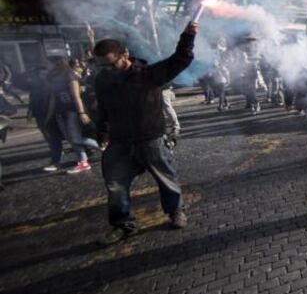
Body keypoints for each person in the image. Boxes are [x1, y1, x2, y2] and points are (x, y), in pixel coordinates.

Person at [92, 21, 197, 244]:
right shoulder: (102, 81)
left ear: (125, 55)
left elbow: (180, 59)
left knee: (166, 179)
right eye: (102, 66)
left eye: (111, 64)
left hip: (151, 139)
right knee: (116, 186)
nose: (107, 70)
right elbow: (102, 108)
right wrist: (101, 133)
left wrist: (188, 36)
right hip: (120, 142)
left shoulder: (148, 74)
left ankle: (176, 212)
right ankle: (122, 224)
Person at [46, 57, 99, 174]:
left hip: (72, 111)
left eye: (48, 63)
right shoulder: (52, 78)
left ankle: (102, 146)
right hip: (60, 112)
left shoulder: (70, 76)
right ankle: (83, 162)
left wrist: (81, 112)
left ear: (56, 64)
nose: (47, 66)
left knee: (75, 137)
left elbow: (76, 96)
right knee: (71, 140)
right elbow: (53, 99)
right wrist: (50, 115)